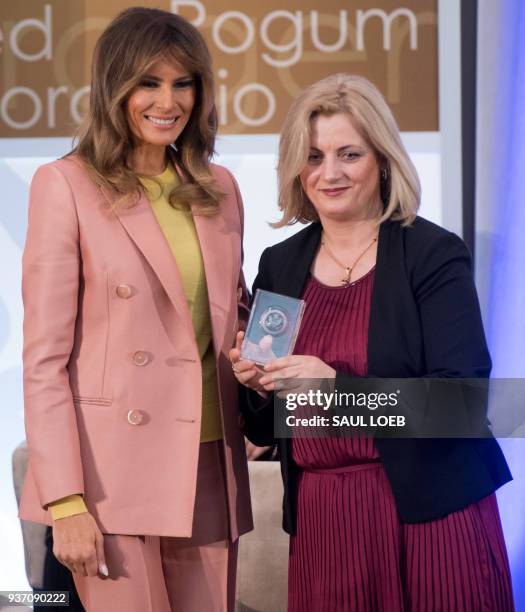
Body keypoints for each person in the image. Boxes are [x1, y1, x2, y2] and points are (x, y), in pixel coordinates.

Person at [230, 74, 514, 611]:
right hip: (325, 526)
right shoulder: (280, 264)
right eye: (312, 156)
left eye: (348, 154)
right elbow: (271, 424)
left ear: (382, 160)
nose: (328, 173)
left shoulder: (432, 255)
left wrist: (337, 390)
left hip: (432, 518)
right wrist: (259, 387)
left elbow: (462, 404)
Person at [20, 7, 252, 611]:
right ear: (114, 88)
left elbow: (234, 315)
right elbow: (44, 360)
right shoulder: (66, 184)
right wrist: (65, 500)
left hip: (208, 462)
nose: (167, 101)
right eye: (148, 82)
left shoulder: (218, 187)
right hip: (108, 478)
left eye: (183, 83)